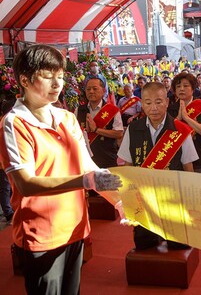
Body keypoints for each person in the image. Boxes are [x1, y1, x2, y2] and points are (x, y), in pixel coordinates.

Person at [0, 44, 121, 294]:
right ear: (24, 79)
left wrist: (122, 202)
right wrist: (84, 182)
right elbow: (26, 183)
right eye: (48, 76)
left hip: (75, 225)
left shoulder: (66, 118)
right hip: (42, 232)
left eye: (61, 76)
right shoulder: (14, 123)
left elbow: (89, 168)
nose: (57, 83)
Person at [118, 82, 198, 249]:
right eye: (148, 103)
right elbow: (128, 167)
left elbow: (189, 169)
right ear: (142, 103)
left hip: (174, 201)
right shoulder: (133, 129)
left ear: (167, 102)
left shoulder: (180, 130)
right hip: (144, 202)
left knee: (178, 247)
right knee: (144, 245)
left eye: (159, 102)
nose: (153, 108)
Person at [169, 72, 201, 173]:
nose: (181, 89)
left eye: (185, 86)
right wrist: (178, 118)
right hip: (175, 161)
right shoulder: (170, 109)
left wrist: (187, 118)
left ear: (193, 89)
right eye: (178, 86)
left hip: (199, 158)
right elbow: (166, 135)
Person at [76, 78, 124, 168]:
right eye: (88, 89)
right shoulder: (79, 110)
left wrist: (96, 130)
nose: (91, 91)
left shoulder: (112, 110)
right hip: (84, 159)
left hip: (106, 158)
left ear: (103, 91)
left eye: (95, 88)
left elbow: (119, 133)